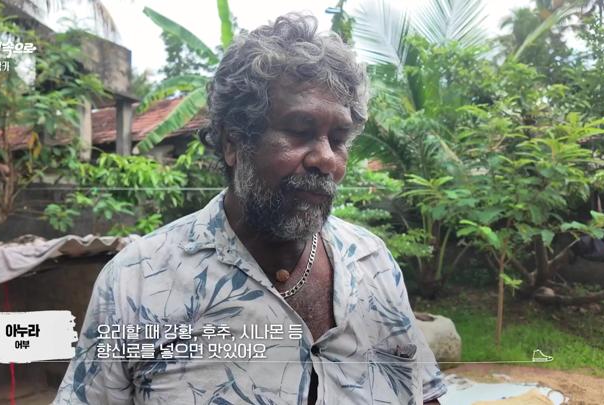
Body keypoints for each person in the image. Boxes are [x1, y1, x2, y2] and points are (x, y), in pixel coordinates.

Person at [54, 13, 446, 405]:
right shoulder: (137, 281)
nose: (326, 158)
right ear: (233, 142)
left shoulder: (373, 263)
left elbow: (422, 393)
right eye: (299, 131)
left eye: (339, 139)